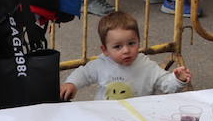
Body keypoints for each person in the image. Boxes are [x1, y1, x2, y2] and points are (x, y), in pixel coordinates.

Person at [60, 11, 191, 100]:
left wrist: (178, 79)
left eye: (131, 43)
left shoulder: (146, 66)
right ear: (105, 50)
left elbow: (165, 84)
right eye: (118, 46)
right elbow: (83, 74)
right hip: (106, 117)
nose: (126, 50)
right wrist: (72, 83)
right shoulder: (101, 64)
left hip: (139, 119)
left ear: (139, 42)